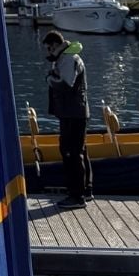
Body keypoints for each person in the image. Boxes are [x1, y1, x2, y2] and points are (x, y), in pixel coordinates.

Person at [43, 28, 92, 208]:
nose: (48, 53)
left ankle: (76, 196)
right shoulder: (66, 58)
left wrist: (49, 78)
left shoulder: (68, 59)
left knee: (70, 152)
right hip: (73, 112)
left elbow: (66, 85)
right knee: (79, 150)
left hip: (73, 113)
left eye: (48, 48)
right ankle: (86, 190)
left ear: (55, 46)